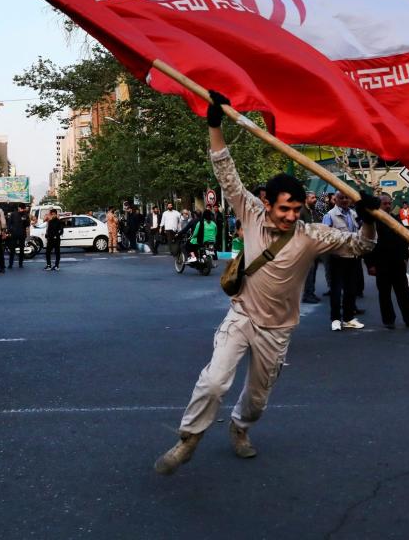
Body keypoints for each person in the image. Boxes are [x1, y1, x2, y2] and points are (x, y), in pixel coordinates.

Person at [154, 92, 378, 475]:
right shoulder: (251, 214)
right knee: (213, 382)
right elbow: (226, 172)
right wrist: (214, 125)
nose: (290, 215)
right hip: (241, 317)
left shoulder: (312, 235)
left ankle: (240, 429)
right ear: (266, 202)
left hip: (278, 330)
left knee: (257, 400)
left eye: (296, 208)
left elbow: (360, 245)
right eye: (283, 208)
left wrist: (368, 216)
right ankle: (188, 439)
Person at [365, 193, 409, 330]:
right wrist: (370, 264)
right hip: (381, 264)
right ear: (378, 205)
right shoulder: (371, 221)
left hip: (397, 263)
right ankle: (389, 320)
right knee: (384, 294)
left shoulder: (395, 219)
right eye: (385, 204)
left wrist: (405, 258)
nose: (388, 206)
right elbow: (366, 244)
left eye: (389, 203)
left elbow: (404, 240)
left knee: (404, 294)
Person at [323, 191, 367, 330]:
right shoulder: (330, 215)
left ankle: (349, 318)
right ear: (335, 199)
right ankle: (335, 319)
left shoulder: (353, 214)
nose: (344, 200)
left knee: (351, 289)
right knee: (336, 290)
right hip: (337, 258)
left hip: (352, 257)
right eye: (341, 198)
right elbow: (324, 237)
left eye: (346, 197)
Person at [299, 193, 321, 304]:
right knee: (309, 271)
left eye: (315, 197)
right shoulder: (301, 211)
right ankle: (307, 295)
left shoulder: (313, 211)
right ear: (306, 199)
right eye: (312, 198)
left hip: (315, 246)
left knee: (313, 271)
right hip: (306, 247)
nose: (315, 200)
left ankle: (311, 293)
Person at [7, 204, 30, 269]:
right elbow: (9, 223)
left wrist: (25, 220)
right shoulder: (13, 214)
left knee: (22, 250)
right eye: (21, 208)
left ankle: (20, 264)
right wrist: (9, 231)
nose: (22, 210)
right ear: (18, 208)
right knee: (12, 250)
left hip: (22, 234)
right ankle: (10, 264)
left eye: (23, 209)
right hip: (14, 234)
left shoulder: (25, 215)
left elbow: (28, 224)